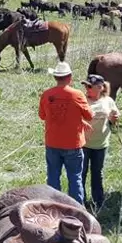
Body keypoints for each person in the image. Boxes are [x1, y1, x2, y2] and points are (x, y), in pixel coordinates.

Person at [38, 61, 93, 205]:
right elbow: (89, 116)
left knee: (53, 177)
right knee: (75, 178)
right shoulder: (77, 94)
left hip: (52, 143)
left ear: (55, 77)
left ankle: (53, 206)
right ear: (69, 77)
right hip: (73, 144)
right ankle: (77, 210)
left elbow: (42, 116)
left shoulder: (46, 94)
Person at [81, 74, 120, 210]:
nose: (86, 88)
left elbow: (114, 118)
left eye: (89, 86)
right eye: (85, 85)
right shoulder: (82, 100)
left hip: (101, 144)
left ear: (100, 87)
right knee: (81, 173)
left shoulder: (108, 101)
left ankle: (98, 202)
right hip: (83, 144)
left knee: (97, 173)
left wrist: (114, 118)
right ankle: (80, 202)